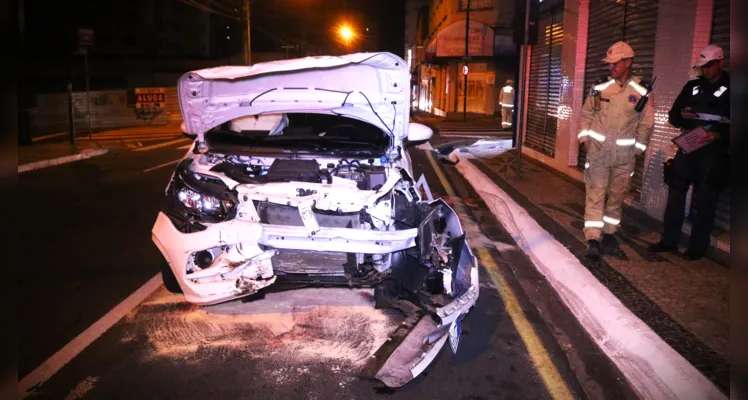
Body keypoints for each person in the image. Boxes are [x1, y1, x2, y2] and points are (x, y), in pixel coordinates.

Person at [647, 44, 730, 260]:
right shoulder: (692, 86)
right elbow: (673, 116)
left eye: (710, 65)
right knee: (675, 197)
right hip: (688, 148)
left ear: (721, 62)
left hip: (713, 153)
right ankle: (668, 242)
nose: (706, 70)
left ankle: (696, 248)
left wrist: (720, 134)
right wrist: (683, 116)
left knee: (705, 202)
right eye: (703, 66)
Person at [578, 41, 655, 260]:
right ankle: (592, 238)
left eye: (615, 64)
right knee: (595, 194)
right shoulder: (600, 87)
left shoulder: (642, 91)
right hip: (598, 153)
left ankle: (610, 231)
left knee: (616, 196)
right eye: (609, 64)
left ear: (628, 62)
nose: (610, 68)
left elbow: (646, 123)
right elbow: (586, 114)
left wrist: (637, 149)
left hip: (624, 156)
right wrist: (585, 139)